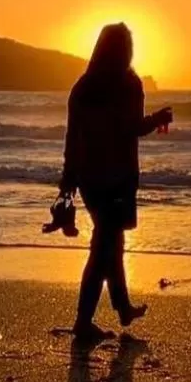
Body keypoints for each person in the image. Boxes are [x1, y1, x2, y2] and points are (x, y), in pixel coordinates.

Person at [57, 22, 173, 344]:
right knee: (103, 250)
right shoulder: (128, 83)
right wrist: (159, 119)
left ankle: (122, 307)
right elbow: (132, 128)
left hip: (89, 179)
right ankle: (83, 322)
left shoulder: (82, 87)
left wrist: (67, 183)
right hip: (118, 178)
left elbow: (72, 138)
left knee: (111, 244)